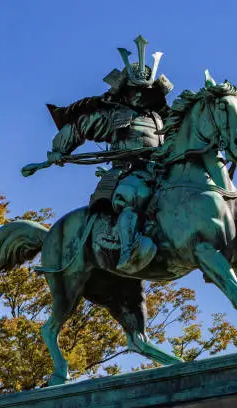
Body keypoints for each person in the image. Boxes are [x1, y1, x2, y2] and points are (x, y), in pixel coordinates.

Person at [45, 35, 173, 273]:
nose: (139, 96)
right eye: (134, 91)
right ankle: (128, 250)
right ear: (125, 91)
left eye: (144, 92)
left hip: (157, 172)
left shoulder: (160, 118)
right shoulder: (114, 116)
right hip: (126, 174)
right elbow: (80, 126)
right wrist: (59, 150)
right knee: (134, 197)